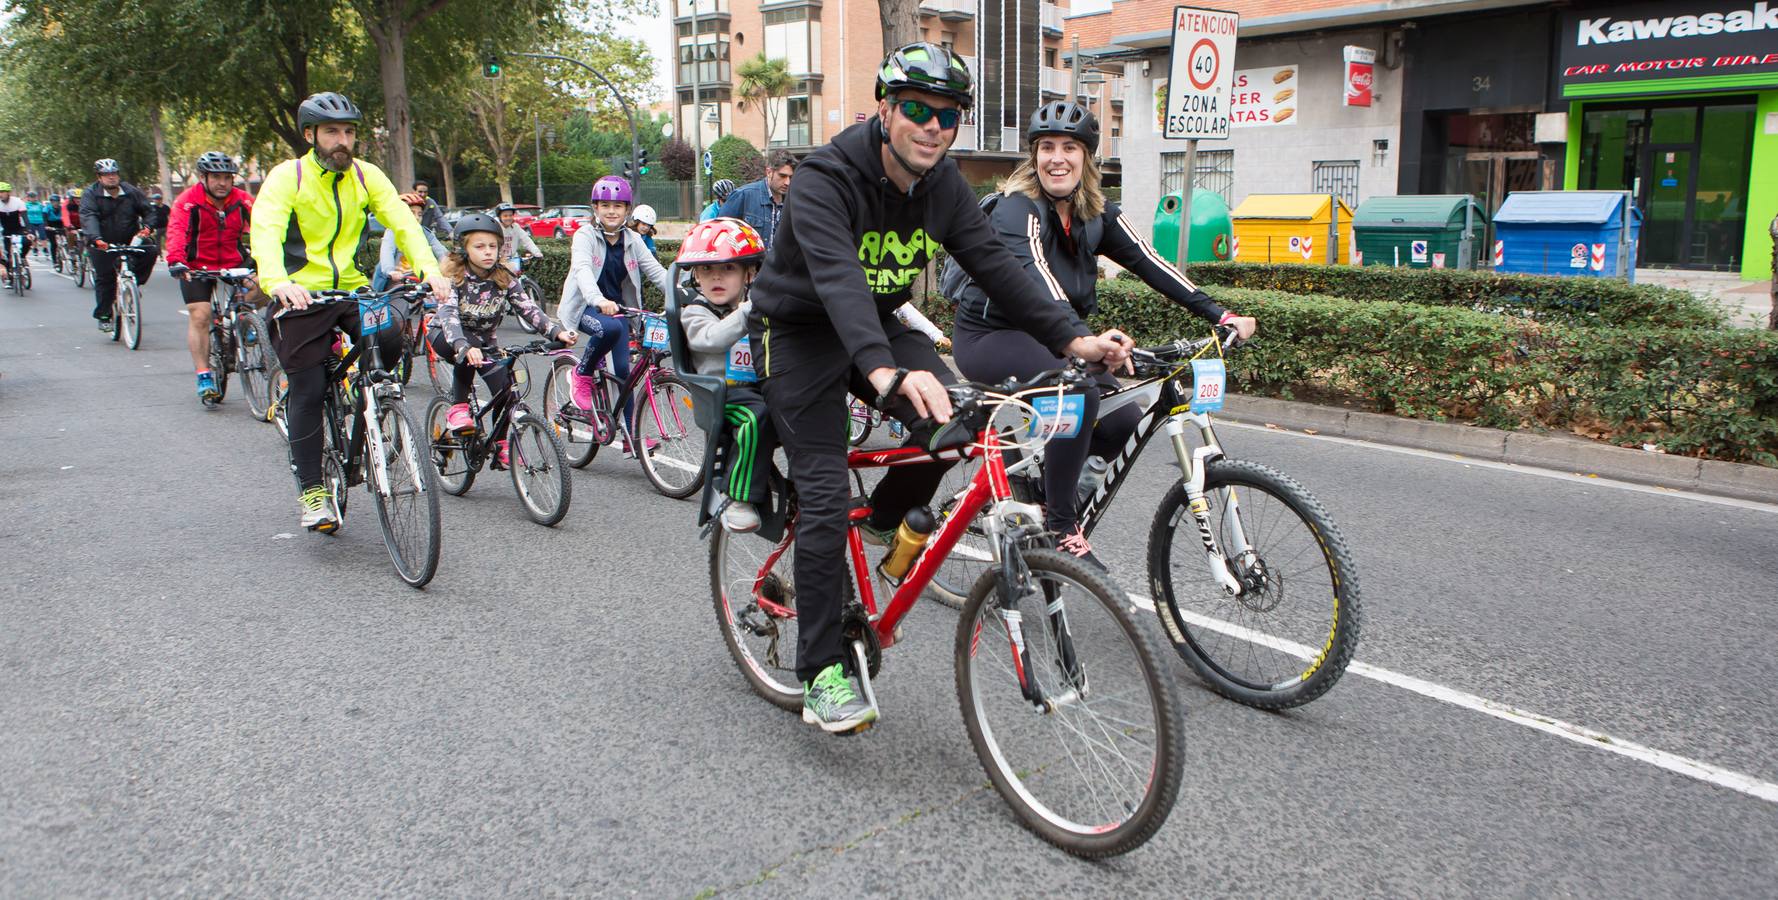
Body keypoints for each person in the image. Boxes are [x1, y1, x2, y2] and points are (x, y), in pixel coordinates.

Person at [745, 42, 1128, 732]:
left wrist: (1071, 338)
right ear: (885, 109)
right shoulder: (825, 177)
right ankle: (821, 672)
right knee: (828, 494)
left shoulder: (944, 184)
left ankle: (888, 523)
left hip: (878, 324)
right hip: (800, 330)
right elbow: (836, 280)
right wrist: (885, 372)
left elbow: (994, 266)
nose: (933, 127)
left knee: (956, 432)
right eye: (918, 110)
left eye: (948, 116)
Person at [945, 101, 1257, 569]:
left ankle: (1050, 490)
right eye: (1046, 147)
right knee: (1076, 393)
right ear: (1033, 157)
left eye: (1069, 147)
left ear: (1087, 157)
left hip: (1055, 336)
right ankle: (1061, 526)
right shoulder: (1017, 209)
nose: (1057, 158)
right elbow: (1035, 279)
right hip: (991, 336)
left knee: (1123, 422)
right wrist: (1081, 341)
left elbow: (1150, 262)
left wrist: (1220, 314)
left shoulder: (1096, 214)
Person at [249, 91, 451, 532]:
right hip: (300, 296)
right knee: (307, 388)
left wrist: (430, 272)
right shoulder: (289, 177)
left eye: (349, 132)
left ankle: (373, 397)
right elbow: (265, 231)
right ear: (310, 135)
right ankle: (313, 491)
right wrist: (278, 283)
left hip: (350, 290)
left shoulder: (366, 175)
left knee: (392, 329)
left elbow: (403, 223)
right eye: (332, 132)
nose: (343, 140)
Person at [431, 213, 577, 466]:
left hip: (485, 344)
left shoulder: (504, 278)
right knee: (469, 353)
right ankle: (457, 409)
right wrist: (462, 345)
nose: (487, 252)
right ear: (463, 250)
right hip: (446, 336)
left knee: (506, 392)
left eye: (492, 246)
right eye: (479, 246)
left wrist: (556, 333)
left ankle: (500, 446)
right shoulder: (455, 278)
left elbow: (528, 309)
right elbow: (449, 315)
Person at [554, 175, 671, 455]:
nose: (611, 211)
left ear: (627, 210)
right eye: (605, 205)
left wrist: (682, 294)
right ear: (595, 207)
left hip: (616, 311)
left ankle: (632, 436)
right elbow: (582, 269)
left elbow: (655, 271)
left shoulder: (633, 239)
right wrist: (597, 299)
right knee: (611, 330)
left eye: (618, 206)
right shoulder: (585, 235)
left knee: (624, 374)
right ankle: (581, 374)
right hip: (585, 306)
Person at [677, 217, 774, 533]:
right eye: (706, 270)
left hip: (758, 386)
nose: (716, 276)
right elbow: (712, 339)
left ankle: (815, 482)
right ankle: (738, 497)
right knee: (754, 416)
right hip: (722, 394)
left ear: (750, 273)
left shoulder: (753, 308)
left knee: (810, 402)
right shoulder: (696, 312)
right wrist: (749, 312)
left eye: (729, 268)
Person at [167, 151, 258, 404]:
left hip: (233, 261)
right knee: (200, 315)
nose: (222, 183)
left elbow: (266, 223)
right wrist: (176, 259)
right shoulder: (188, 201)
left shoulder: (243, 200)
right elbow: (176, 230)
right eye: (216, 177)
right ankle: (204, 373)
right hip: (196, 265)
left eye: (227, 178)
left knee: (263, 285)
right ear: (203, 177)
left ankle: (237, 320)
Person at [79, 160, 156, 332]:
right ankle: (104, 314)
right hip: (102, 242)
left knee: (151, 250)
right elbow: (88, 216)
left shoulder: (131, 191)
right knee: (105, 278)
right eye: (106, 174)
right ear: (99, 177)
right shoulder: (90, 195)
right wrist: (96, 238)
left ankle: (134, 284)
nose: (111, 177)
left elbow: (149, 211)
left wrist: (147, 228)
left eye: (114, 173)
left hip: (130, 238)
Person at [718, 150, 796, 248]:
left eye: (790, 177)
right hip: (751, 262)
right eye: (782, 176)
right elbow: (720, 232)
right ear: (769, 172)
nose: (787, 182)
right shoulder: (744, 195)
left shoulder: (792, 202)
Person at [373, 192, 448, 290]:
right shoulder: (393, 231)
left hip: (419, 279)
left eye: (420, 214)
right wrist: (390, 271)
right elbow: (387, 251)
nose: (417, 218)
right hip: (396, 281)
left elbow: (439, 249)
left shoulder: (425, 232)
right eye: (411, 213)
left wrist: (450, 263)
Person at [494, 203, 540, 273]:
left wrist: (537, 253)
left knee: (517, 278)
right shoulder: (495, 228)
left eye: (510, 215)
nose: (508, 218)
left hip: (514, 259)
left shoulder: (516, 227)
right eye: (505, 216)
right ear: (500, 217)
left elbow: (526, 240)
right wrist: (498, 257)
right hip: (499, 261)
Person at [0, 184, 31, 274]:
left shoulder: (18, 202)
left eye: (2, 192)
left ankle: (22, 257)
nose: (0, 194)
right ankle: (9, 276)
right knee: (7, 256)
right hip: (5, 230)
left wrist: (29, 231)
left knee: (27, 241)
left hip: (19, 229)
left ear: (8, 193)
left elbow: (25, 218)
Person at [24, 190, 49, 255]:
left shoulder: (40, 204)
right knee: (33, 236)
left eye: (34, 197)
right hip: (31, 221)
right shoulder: (26, 205)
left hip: (40, 221)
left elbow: (44, 212)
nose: (33, 198)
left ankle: (45, 248)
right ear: (28, 198)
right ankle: (35, 248)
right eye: (31, 197)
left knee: (43, 235)